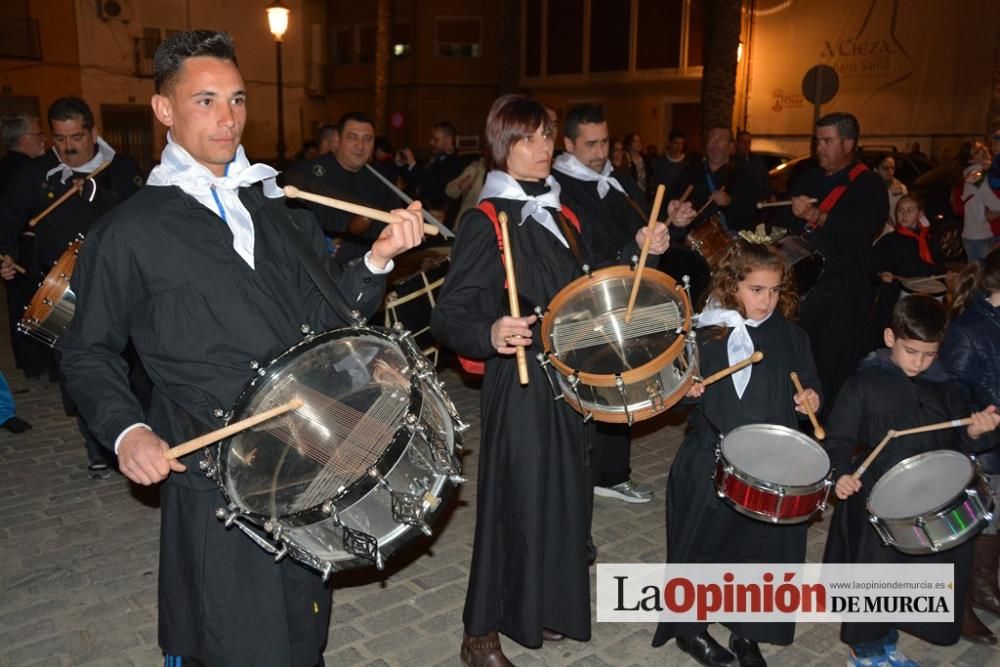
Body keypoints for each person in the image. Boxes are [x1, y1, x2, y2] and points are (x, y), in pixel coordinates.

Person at [56, 30, 424, 666]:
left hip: (307, 451)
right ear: (164, 109)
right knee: (232, 635)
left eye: (237, 100)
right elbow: (87, 352)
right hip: (214, 470)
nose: (227, 119)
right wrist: (126, 432)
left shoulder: (279, 206)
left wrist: (376, 258)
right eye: (205, 101)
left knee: (302, 628)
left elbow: (326, 320)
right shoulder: (129, 231)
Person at [431, 94, 691, 666]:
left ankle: (538, 609)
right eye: (529, 138)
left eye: (547, 135)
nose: (543, 147)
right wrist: (492, 330)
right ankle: (480, 634)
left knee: (564, 501)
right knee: (513, 505)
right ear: (503, 146)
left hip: (571, 381)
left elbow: (588, 284)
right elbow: (449, 315)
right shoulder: (487, 220)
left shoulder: (563, 212)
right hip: (520, 386)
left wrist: (637, 248)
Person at [651, 239, 821, 667]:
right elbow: (673, 394)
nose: (767, 300)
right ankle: (691, 629)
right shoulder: (706, 335)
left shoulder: (792, 335)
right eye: (756, 290)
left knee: (763, 549)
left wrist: (811, 400)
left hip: (772, 464)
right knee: (706, 546)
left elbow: (810, 383)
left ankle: (749, 630)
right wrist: (686, 392)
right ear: (732, 286)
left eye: (775, 290)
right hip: (713, 456)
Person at [823, 295, 1000, 667]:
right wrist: (840, 475)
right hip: (877, 495)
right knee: (877, 575)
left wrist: (980, 431)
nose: (919, 363)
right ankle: (866, 650)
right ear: (890, 337)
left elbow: (962, 439)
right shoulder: (863, 384)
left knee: (916, 575)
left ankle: (887, 636)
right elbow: (838, 439)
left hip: (928, 494)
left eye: (929, 354)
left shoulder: (947, 389)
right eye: (911, 351)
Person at [552, 103, 692, 507]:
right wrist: (635, 247)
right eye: (590, 144)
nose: (600, 153)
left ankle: (612, 474)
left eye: (605, 142)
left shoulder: (619, 179)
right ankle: (588, 475)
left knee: (623, 382)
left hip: (627, 290)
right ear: (568, 144)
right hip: (588, 298)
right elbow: (580, 249)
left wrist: (668, 224)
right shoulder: (559, 186)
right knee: (595, 388)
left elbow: (643, 227)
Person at [0, 96, 145, 476]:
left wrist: (95, 194)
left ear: (93, 133)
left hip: (118, 280)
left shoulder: (121, 167)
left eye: (77, 137)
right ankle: (97, 444)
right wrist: (6, 251)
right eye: (60, 138)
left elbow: (141, 214)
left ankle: (140, 436)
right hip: (62, 286)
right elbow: (9, 216)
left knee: (132, 363)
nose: (68, 147)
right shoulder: (35, 173)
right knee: (79, 368)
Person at [776, 112, 888, 417]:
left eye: (827, 140)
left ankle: (827, 433)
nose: (819, 147)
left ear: (849, 143)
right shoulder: (810, 178)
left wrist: (816, 216)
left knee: (832, 368)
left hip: (844, 293)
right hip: (806, 289)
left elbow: (863, 228)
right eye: (818, 140)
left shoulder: (869, 184)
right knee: (799, 360)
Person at [940, 249, 1000, 644]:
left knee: (996, 521)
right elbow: (953, 399)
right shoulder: (969, 330)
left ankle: (981, 586)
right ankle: (956, 605)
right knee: (966, 525)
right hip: (978, 446)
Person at [282, 111, 401, 265]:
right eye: (352, 137)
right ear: (337, 140)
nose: (360, 146)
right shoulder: (305, 174)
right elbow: (291, 224)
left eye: (367, 139)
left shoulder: (381, 182)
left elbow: (393, 226)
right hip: (315, 269)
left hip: (368, 272)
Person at [0, 114, 49, 382]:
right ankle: (42, 363)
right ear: (23, 139)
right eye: (38, 135)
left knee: (20, 309)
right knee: (39, 308)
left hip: (11, 250)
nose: (43, 141)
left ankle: (30, 365)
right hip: (26, 251)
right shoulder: (28, 171)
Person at [868, 193, 948, 349]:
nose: (904, 214)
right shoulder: (888, 241)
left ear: (920, 213)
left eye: (909, 210)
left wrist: (945, 276)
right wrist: (880, 276)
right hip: (894, 299)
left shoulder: (927, 239)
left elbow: (937, 268)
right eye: (900, 210)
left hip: (923, 300)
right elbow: (870, 268)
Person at [397, 120, 466, 226]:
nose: (431, 143)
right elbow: (416, 183)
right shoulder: (435, 160)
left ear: (448, 141)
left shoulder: (456, 163)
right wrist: (402, 164)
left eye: (436, 140)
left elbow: (435, 187)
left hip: (441, 223)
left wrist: (413, 165)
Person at [958, 140, 1000, 262]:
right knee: (979, 277)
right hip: (976, 237)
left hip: (981, 234)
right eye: (977, 152)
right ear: (970, 160)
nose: (983, 151)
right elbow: (992, 203)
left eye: (982, 148)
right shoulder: (975, 175)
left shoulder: (981, 173)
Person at [0, 114, 46, 187]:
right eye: (39, 135)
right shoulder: (31, 169)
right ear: (24, 138)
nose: (44, 139)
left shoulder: (3, 165)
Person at [650, 129, 688, 195]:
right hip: (664, 198)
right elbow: (656, 182)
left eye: (681, 143)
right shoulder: (661, 162)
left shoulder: (687, 162)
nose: (679, 146)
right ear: (670, 143)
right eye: (676, 143)